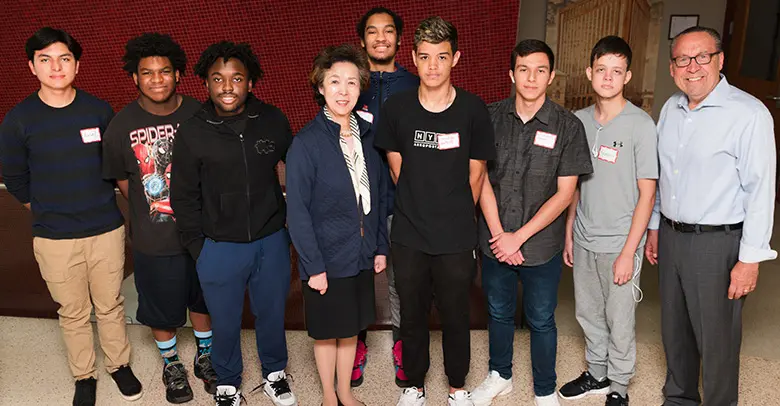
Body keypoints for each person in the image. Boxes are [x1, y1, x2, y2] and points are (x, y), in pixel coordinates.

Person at [0, 27, 143, 406]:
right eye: (45, 59)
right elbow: (15, 179)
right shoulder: (18, 121)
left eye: (64, 58)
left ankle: (119, 365)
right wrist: (47, 209)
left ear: (77, 64)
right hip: (54, 236)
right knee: (74, 311)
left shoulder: (98, 110)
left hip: (105, 230)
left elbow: (115, 166)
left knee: (110, 304)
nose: (55, 67)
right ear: (32, 67)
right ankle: (84, 375)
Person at [645, 26, 776, 406]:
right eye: (683, 59)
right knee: (675, 328)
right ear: (672, 68)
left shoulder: (749, 114)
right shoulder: (670, 108)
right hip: (671, 235)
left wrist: (749, 260)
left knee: (716, 337)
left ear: (720, 61)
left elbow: (760, 191)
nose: (693, 67)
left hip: (718, 243)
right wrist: (655, 227)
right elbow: (664, 176)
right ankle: (680, 398)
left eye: (702, 57)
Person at [374, 16, 495, 406]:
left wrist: (453, 217)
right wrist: (422, 208)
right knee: (411, 313)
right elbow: (397, 168)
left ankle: (457, 385)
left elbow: (476, 177)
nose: (432, 66)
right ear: (413, 56)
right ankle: (415, 385)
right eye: (424, 57)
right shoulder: (397, 109)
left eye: (441, 57)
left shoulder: (474, 111)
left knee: (456, 315)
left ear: (455, 58)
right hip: (409, 232)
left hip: (456, 235)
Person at [170, 41, 296, 406]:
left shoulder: (272, 120)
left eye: (236, 78)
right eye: (218, 79)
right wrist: (200, 248)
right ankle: (227, 384)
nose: (227, 86)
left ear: (250, 83)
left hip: (271, 239)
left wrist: (290, 229)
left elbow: (302, 170)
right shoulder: (194, 131)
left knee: (271, 312)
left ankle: (275, 374)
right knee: (224, 321)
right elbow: (183, 195)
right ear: (205, 85)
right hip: (218, 246)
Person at [470, 39, 592, 406]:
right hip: (494, 239)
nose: (531, 77)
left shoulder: (568, 126)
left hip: (541, 246)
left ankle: (543, 389)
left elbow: (565, 193)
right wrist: (498, 235)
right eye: (523, 69)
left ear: (551, 76)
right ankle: (500, 376)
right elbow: (480, 180)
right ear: (511, 74)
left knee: (541, 319)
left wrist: (517, 238)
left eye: (540, 70)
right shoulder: (488, 119)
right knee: (498, 312)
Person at [102, 32, 218, 404]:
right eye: (147, 72)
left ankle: (205, 358)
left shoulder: (201, 113)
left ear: (179, 74)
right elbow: (124, 182)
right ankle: (171, 365)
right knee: (161, 310)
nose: (156, 79)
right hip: (155, 241)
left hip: (202, 235)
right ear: (135, 77)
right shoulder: (121, 125)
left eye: (164, 71)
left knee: (203, 301)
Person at [557, 36, 657, 406]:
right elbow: (574, 185)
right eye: (602, 70)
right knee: (588, 313)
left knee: (620, 319)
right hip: (584, 238)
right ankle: (596, 373)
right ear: (590, 73)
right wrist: (569, 233)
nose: (609, 78)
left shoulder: (641, 125)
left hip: (620, 242)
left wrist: (628, 253)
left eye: (617, 71)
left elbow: (648, 193)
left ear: (628, 76)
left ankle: (619, 385)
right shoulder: (578, 122)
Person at [287, 43, 388, 406]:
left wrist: (379, 246)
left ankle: (345, 392)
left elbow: (375, 194)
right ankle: (329, 396)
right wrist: (313, 267)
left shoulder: (368, 135)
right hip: (325, 258)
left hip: (359, 254)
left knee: (350, 331)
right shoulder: (306, 143)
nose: (343, 91)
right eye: (334, 82)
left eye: (351, 82)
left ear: (361, 87)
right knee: (328, 334)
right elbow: (297, 212)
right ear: (320, 87)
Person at [353, 6, 419, 388]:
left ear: (398, 38)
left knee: (402, 281)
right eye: (373, 32)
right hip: (357, 205)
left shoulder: (414, 85)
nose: (381, 38)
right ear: (362, 40)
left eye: (388, 31)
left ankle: (402, 346)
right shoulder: (347, 82)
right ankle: (355, 343)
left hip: (403, 203)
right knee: (357, 277)